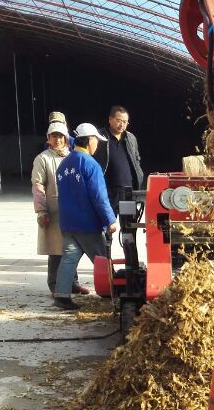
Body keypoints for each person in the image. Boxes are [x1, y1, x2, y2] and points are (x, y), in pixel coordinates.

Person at [53, 123, 117, 311]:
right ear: (89, 140)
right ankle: (112, 292)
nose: (97, 144)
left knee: (68, 258)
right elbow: (99, 197)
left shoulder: (64, 164)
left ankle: (62, 296)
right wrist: (110, 220)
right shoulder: (91, 164)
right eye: (96, 140)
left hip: (67, 222)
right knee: (102, 258)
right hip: (87, 224)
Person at [31, 120, 89, 296]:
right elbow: (38, 185)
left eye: (61, 136)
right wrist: (41, 210)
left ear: (66, 138)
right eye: (54, 136)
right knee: (56, 249)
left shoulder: (72, 156)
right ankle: (55, 284)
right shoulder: (43, 159)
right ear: (49, 138)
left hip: (72, 210)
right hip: (54, 210)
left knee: (73, 248)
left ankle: (73, 283)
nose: (58, 140)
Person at [93, 105, 144, 215]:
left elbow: (136, 159)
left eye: (125, 122)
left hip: (128, 192)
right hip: (108, 192)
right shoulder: (99, 137)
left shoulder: (130, 138)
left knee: (129, 228)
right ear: (110, 119)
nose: (122, 125)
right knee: (107, 226)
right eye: (119, 121)